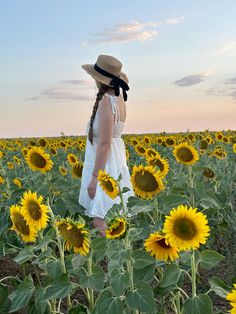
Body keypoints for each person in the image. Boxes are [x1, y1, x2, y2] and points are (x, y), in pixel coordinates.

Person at [78, 54, 135, 235]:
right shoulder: (120, 100)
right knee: (115, 216)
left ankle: (115, 260)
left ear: (99, 79)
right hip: (116, 161)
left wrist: (95, 177)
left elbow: (104, 143)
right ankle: (118, 258)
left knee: (100, 219)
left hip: (107, 165)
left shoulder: (105, 101)